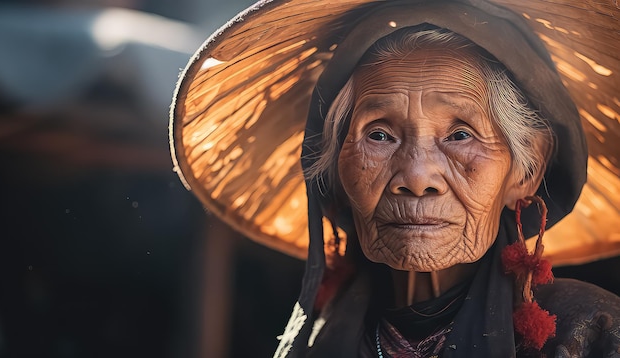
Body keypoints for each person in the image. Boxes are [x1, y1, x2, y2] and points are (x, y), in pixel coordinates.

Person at [169, 0, 620, 356]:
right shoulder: (315, 341)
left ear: (526, 170)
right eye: (379, 135)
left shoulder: (587, 331)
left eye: (460, 135)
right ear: (335, 173)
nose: (417, 177)